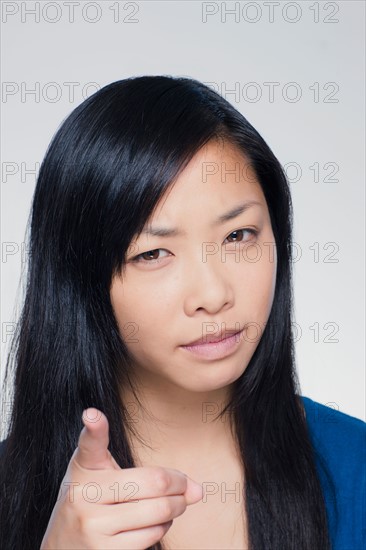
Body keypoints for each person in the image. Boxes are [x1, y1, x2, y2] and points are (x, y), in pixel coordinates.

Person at [0, 75, 364, 550]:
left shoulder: (353, 466)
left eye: (239, 236)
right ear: (80, 279)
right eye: (153, 254)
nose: (212, 295)